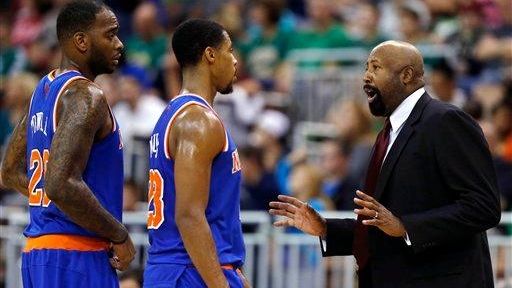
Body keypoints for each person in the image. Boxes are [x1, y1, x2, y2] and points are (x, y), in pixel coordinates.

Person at [269, 40, 501, 288]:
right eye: (365, 68)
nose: (365, 77)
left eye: (375, 68)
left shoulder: (445, 121)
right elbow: (383, 227)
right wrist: (326, 229)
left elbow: (483, 207)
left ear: (407, 75)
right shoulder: (386, 134)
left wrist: (405, 227)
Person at [0, 1, 136, 287]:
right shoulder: (87, 95)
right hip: (76, 254)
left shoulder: (43, 89)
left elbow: (10, 171)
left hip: (38, 252)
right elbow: (60, 184)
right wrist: (118, 234)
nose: (119, 44)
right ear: (82, 41)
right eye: (110, 35)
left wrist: (57, 202)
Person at [143, 19, 249, 288]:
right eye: (230, 50)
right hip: (189, 271)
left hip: (179, 268)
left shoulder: (172, 115)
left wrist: (235, 273)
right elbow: (189, 215)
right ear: (210, 55)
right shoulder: (198, 121)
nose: (235, 61)